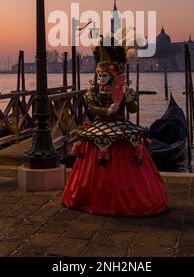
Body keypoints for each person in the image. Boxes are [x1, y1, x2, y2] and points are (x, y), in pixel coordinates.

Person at [62, 42, 169, 216]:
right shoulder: (93, 91)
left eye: (104, 75)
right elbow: (91, 109)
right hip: (99, 126)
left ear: (112, 76)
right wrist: (106, 110)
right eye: (100, 75)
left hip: (120, 126)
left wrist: (127, 97)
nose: (101, 78)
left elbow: (133, 109)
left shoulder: (123, 90)